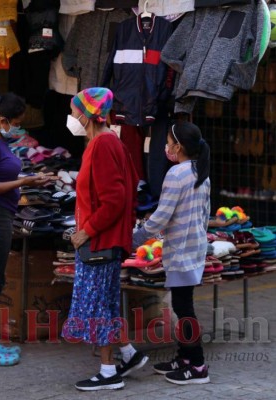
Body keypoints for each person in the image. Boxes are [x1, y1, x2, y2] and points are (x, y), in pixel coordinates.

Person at [62, 87, 148, 391]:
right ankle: (128, 353)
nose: (72, 117)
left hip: (100, 241)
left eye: (74, 111)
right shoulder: (107, 142)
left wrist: (86, 231)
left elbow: (114, 199)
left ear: (87, 114)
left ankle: (109, 371)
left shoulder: (102, 145)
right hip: (106, 239)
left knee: (98, 305)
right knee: (107, 304)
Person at [0, 92, 56, 366]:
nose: (16, 128)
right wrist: (24, 182)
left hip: (0, 215)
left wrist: (30, 180)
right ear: (2, 119)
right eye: (15, 123)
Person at [132, 120, 211, 385]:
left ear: (178, 146)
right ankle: (185, 358)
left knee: (183, 307)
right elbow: (204, 214)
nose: (165, 146)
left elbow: (161, 217)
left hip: (180, 249)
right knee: (182, 303)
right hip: (194, 246)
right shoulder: (200, 172)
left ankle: (198, 365)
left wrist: (136, 237)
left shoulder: (177, 174)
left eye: (167, 142)